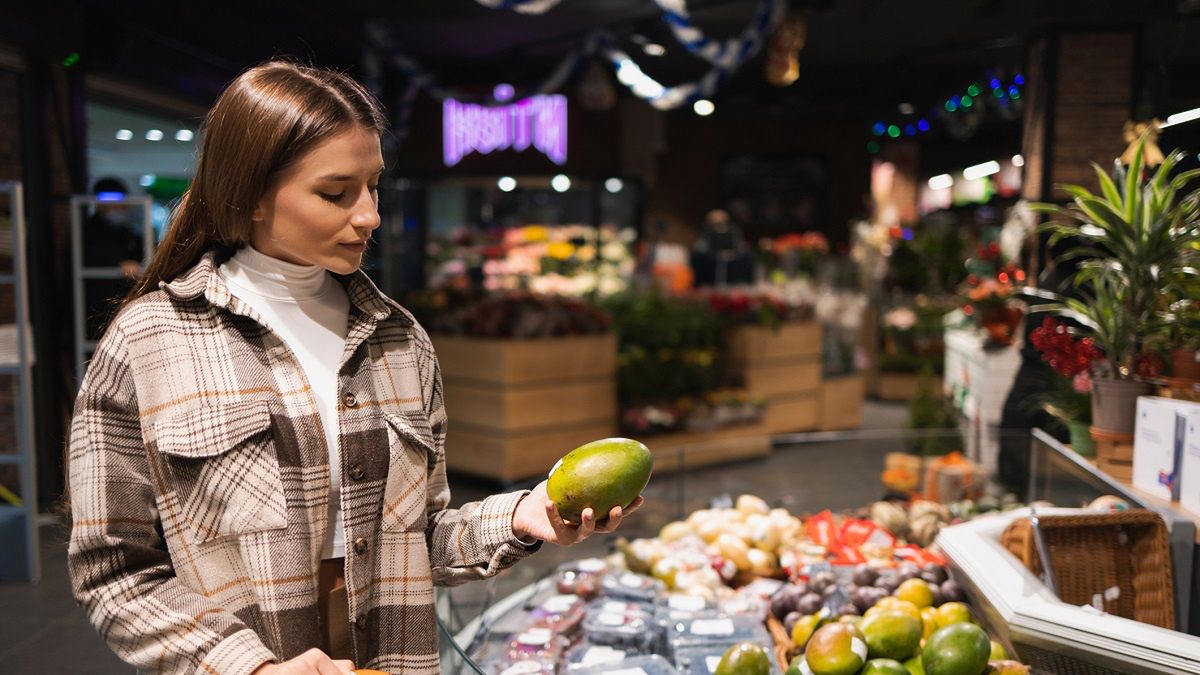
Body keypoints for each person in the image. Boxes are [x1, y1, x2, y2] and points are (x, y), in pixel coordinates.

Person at [66, 59, 643, 675]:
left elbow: (419, 539)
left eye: (373, 187)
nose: (368, 214)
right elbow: (115, 570)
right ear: (250, 195)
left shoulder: (398, 338)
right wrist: (246, 666)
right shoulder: (150, 340)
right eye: (335, 193)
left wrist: (524, 517)